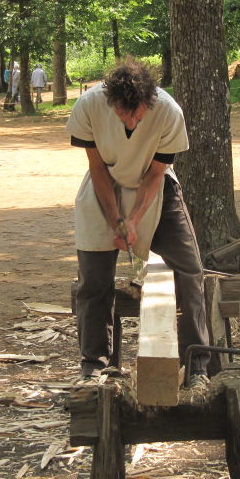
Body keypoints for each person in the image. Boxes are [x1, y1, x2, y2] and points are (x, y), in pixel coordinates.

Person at [66, 59, 210, 386]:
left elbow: (156, 173)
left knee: (190, 270)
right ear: (111, 101)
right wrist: (116, 219)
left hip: (155, 186)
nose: (131, 120)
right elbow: (99, 170)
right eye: (122, 113)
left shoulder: (169, 112)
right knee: (93, 280)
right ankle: (94, 365)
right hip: (106, 186)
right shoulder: (89, 106)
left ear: (150, 101)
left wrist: (134, 220)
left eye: (138, 114)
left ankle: (197, 364)